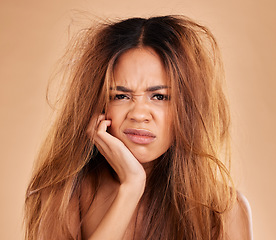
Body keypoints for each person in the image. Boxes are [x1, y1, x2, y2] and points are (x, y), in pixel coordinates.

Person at [24, 15, 253, 239]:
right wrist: (131, 187)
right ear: (100, 104)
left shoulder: (223, 210)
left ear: (188, 109)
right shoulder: (64, 194)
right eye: (121, 95)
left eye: (160, 97)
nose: (139, 114)